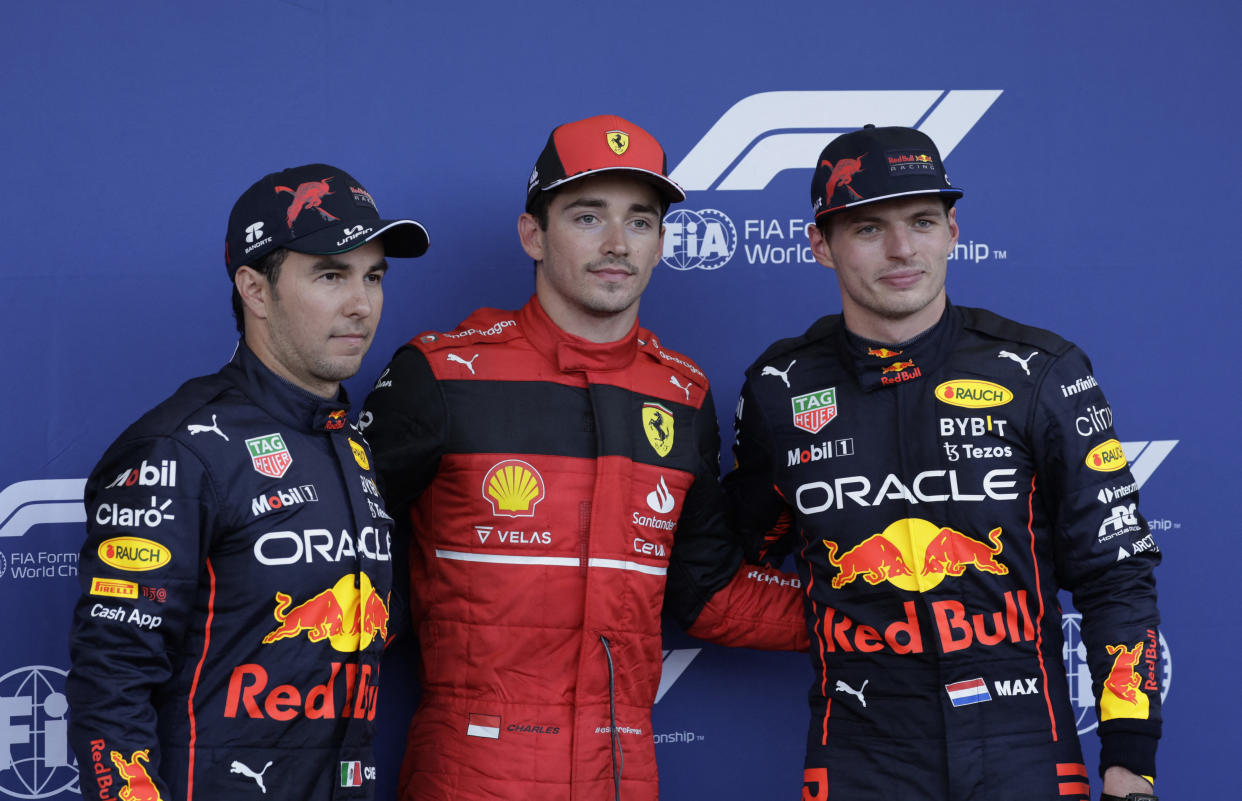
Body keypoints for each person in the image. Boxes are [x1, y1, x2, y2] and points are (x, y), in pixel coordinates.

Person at [360, 114, 807, 801]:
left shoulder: (681, 392)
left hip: (623, 774)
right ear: (533, 234)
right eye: (587, 216)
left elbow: (708, 588)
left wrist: (875, 609)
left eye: (640, 220)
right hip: (470, 773)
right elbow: (337, 558)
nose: (616, 243)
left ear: (661, 243)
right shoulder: (441, 374)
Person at [723, 124, 1162, 801]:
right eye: (868, 229)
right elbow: (730, 557)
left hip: (1024, 742)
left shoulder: (1041, 373)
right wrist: (834, 618)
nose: (902, 249)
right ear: (820, 244)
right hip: (861, 750)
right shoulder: (779, 388)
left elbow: (1116, 574)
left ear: (953, 230)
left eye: (922, 221)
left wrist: (1130, 760)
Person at [67, 163, 429, 801]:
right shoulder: (176, 448)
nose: (361, 305)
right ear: (255, 289)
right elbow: (111, 684)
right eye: (329, 275)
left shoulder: (353, 441)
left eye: (373, 277)